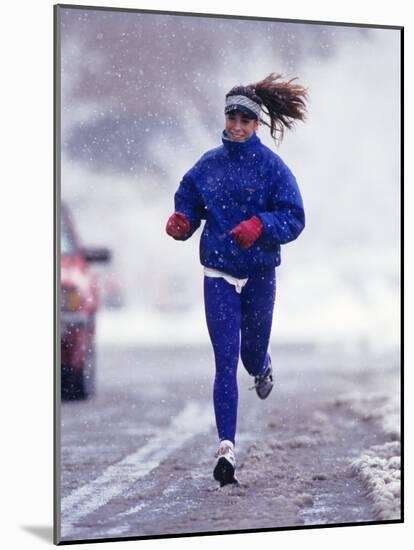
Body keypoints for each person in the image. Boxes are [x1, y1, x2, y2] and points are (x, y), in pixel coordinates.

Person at [165, 73, 307, 487]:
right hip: (218, 274)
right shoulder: (208, 165)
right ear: (225, 119)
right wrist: (183, 221)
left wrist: (261, 225)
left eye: (245, 119)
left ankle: (262, 368)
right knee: (224, 360)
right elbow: (188, 201)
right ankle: (226, 447)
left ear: (256, 124)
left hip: (260, 273)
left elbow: (295, 218)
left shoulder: (273, 168)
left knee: (249, 355)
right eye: (232, 117)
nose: (238, 125)